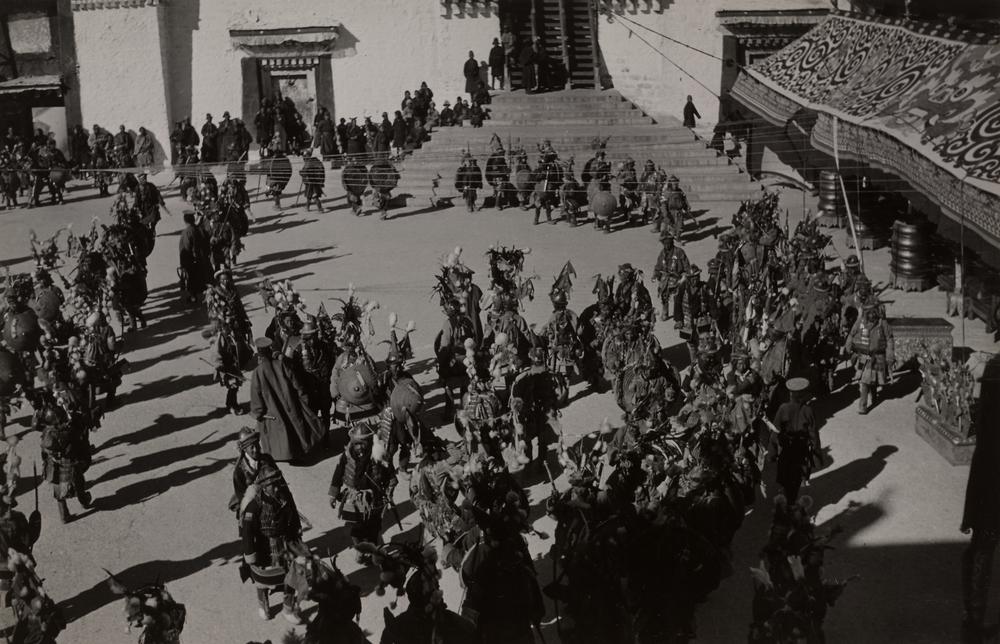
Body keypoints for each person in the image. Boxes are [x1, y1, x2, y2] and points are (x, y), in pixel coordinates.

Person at [961, 354, 1000, 642]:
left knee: (982, 552)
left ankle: (973, 621)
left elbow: (983, 434)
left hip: (990, 483)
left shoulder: (995, 367)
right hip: (991, 482)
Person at [239, 462, 307, 624]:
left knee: (293, 575)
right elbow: (247, 532)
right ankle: (264, 604)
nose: (276, 488)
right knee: (262, 580)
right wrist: (250, 555)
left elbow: (293, 517)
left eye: (277, 484)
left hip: (286, 544)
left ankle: (288, 607)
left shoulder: (284, 497)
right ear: (264, 487)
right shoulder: (254, 507)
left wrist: (297, 537)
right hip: (263, 547)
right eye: (272, 486)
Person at [328, 425, 398, 562]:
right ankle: (361, 549)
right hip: (353, 498)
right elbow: (339, 473)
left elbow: (391, 477)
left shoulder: (379, 454)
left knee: (374, 527)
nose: (359, 447)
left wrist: (389, 492)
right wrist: (333, 494)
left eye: (362, 442)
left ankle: (373, 550)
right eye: (357, 443)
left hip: (375, 499)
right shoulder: (347, 455)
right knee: (355, 528)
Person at [249, 337, 325, 463]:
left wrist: (258, 413)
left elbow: (256, 398)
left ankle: (287, 455)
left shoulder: (257, 372)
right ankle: (299, 454)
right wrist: (303, 399)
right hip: (291, 405)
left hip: (273, 412)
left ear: (259, 355)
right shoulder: (281, 365)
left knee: (281, 435)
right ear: (270, 351)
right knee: (295, 429)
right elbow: (297, 384)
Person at [771, 377, 820, 502]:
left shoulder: (783, 408)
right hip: (801, 452)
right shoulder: (808, 410)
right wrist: (817, 456)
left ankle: (786, 504)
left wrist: (772, 452)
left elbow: (776, 431)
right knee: (800, 480)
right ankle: (797, 506)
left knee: (786, 479)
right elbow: (813, 434)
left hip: (786, 451)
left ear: (790, 393)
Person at [843, 303, 894, 414]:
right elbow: (852, 334)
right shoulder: (860, 322)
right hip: (864, 356)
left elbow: (889, 338)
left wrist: (890, 357)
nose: (871, 315)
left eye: (873, 312)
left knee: (873, 380)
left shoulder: (882, 323)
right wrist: (848, 347)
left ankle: (874, 394)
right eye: (869, 312)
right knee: (865, 381)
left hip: (879, 356)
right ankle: (863, 406)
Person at [228, 427, 279, 514]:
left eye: (257, 445)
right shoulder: (238, 472)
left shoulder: (267, 459)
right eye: (252, 447)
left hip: (273, 496)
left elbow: (279, 478)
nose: (256, 449)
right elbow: (242, 496)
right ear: (244, 449)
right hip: (252, 503)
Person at [652, 230, 690, 321]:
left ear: (672, 242)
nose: (666, 245)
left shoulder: (679, 252)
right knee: (664, 292)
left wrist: (685, 276)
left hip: (679, 276)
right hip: (667, 277)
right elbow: (658, 266)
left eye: (668, 243)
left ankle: (680, 314)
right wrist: (656, 274)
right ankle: (665, 311)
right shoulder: (662, 253)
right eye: (665, 243)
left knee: (679, 296)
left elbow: (687, 266)